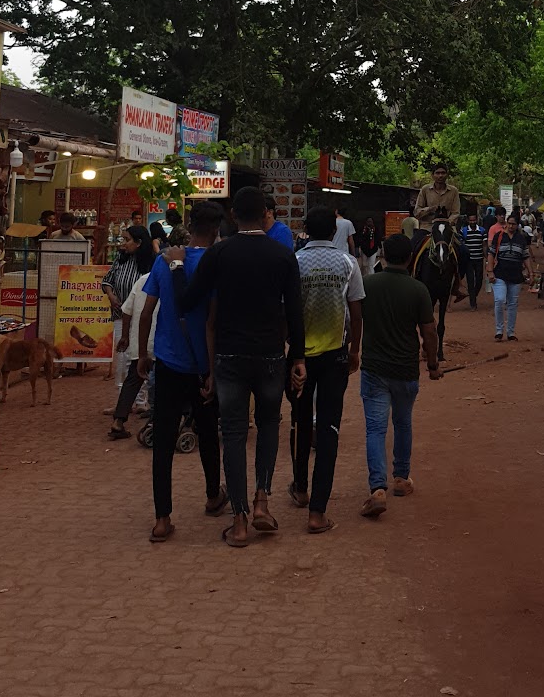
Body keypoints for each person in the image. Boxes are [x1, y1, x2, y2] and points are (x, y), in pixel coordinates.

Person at [174, 187, 305, 548]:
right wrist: (298, 358)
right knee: (268, 425)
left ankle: (241, 520)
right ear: (265, 213)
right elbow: (294, 311)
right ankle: (263, 501)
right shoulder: (283, 255)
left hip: (229, 356)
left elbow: (189, 300)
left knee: (232, 433)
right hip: (270, 355)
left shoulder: (220, 253)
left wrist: (174, 266)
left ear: (233, 215)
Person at [133, 200, 226, 541]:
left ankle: (162, 517)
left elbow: (146, 313)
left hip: (168, 361)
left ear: (189, 223)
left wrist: (142, 353)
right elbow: (213, 322)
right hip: (202, 366)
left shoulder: (164, 261)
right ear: (216, 230)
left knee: (164, 439)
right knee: (207, 434)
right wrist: (213, 370)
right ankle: (213, 495)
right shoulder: (217, 265)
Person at [287, 205, 365, 532]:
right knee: (329, 428)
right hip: (336, 355)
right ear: (334, 231)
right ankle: (317, 512)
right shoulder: (348, 263)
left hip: (300, 358)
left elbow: (285, 311)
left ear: (305, 230)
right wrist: (355, 350)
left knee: (300, 421)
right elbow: (357, 312)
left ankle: (301, 487)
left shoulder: (295, 262)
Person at [358, 233, 440, 518]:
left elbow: (354, 320)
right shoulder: (419, 290)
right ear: (409, 258)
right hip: (405, 369)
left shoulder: (367, 284)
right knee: (403, 423)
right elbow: (428, 332)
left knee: (375, 429)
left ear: (382, 253)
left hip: (374, 368)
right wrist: (432, 365)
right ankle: (402, 479)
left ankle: (377, 488)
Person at [107, 262, 158, 436]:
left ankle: (118, 421)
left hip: (140, 340)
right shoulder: (171, 280)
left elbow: (126, 310)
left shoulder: (142, 280)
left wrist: (126, 336)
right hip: (161, 342)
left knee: (133, 380)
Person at [489, 212, 531, 341]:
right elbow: (491, 254)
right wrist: (490, 271)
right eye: (509, 223)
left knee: (513, 304)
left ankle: (511, 332)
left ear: (517, 225)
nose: (511, 226)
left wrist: (531, 271)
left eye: (514, 224)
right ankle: (499, 330)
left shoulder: (521, 238)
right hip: (500, 274)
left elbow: (525, 256)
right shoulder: (499, 236)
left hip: (516, 275)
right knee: (500, 300)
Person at [101, 224, 154, 321]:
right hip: (120, 315)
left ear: (138, 243)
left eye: (127, 240)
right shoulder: (121, 259)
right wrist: (111, 296)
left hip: (142, 318)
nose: (124, 243)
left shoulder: (151, 263)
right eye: (123, 239)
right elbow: (107, 280)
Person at [414, 163, 460, 227]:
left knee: (458, 237)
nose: (440, 175)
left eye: (443, 173)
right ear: (432, 175)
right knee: (417, 237)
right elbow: (417, 212)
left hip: (447, 226)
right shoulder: (425, 189)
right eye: (437, 173)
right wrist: (429, 209)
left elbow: (456, 213)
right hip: (428, 226)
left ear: (447, 175)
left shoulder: (453, 191)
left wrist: (447, 222)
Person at [458, 211, 488, 308]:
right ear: (468, 221)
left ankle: (473, 295)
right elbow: (461, 245)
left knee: (479, 279)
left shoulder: (482, 231)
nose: (472, 222)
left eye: (474, 220)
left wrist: (486, 258)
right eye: (471, 220)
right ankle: (473, 303)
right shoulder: (463, 231)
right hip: (468, 260)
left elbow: (484, 245)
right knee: (470, 281)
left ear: (477, 220)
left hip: (479, 259)